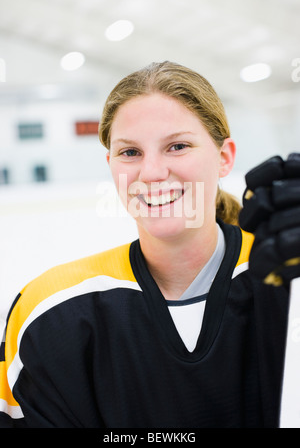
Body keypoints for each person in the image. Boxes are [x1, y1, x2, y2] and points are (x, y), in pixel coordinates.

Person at [0, 61, 299, 428]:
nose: (153, 172)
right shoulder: (49, 312)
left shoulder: (287, 279)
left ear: (224, 158)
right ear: (110, 163)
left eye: (177, 146)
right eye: (130, 153)